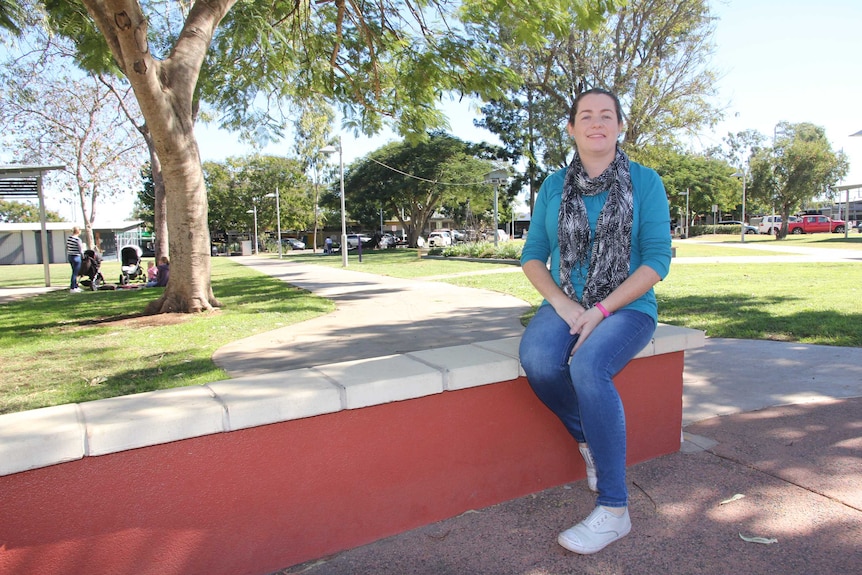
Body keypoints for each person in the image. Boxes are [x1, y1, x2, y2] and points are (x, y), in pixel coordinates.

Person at [518, 88, 672, 555]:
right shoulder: (552, 186)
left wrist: (602, 311)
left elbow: (657, 261)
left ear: (620, 126)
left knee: (587, 366)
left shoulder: (646, 182)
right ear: (572, 128)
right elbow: (532, 257)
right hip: (567, 302)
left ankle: (614, 508)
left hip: (627, 307)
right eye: (586, 116)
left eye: (607, 115)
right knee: (539, 360)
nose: (596, 122)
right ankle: (588, 436)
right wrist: (566, 306)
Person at [66, 226, 84, 293]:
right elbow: (80, 250)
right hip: (76, 256)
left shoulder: (69, 238)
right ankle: (72, 287)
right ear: (78, 231)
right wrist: (83, 256)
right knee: (75, 273)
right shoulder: (78, 240)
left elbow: (67, 247)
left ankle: (76, 286)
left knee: (74, 271)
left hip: (70, 256)